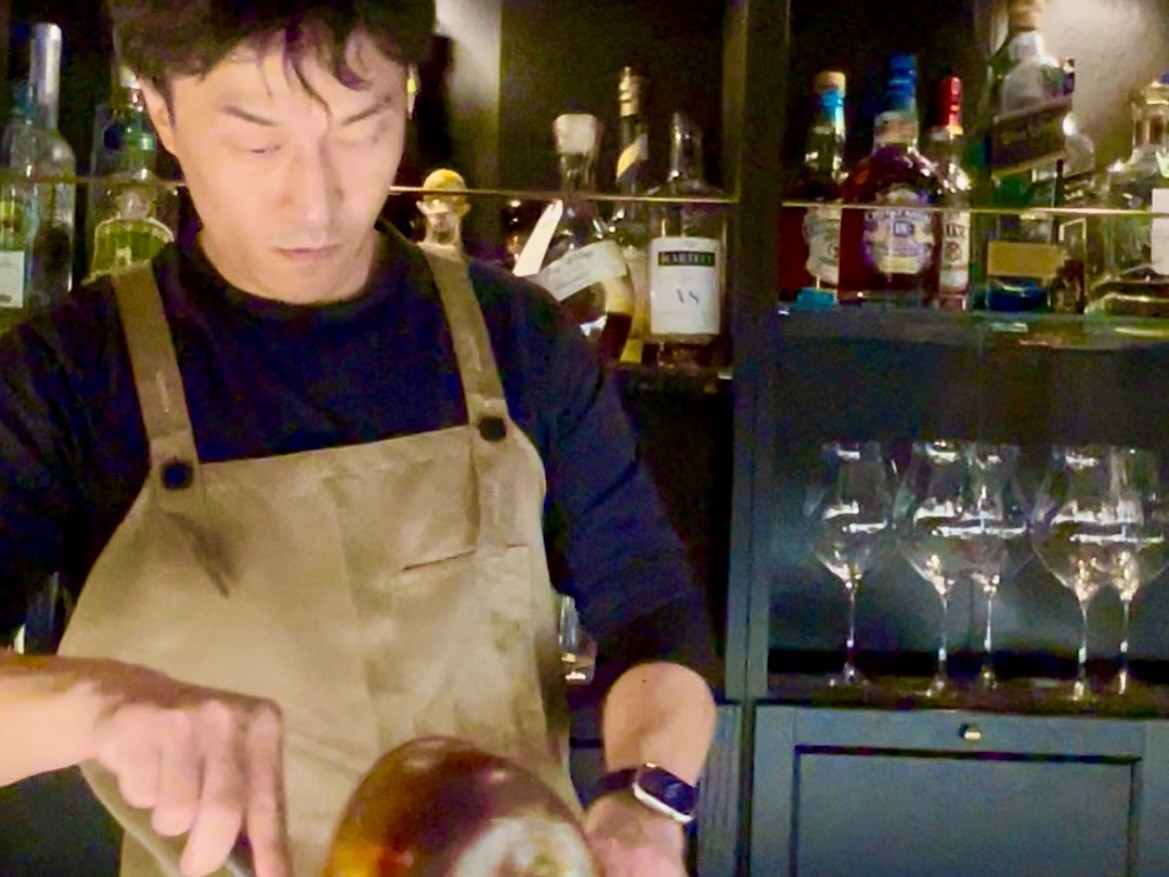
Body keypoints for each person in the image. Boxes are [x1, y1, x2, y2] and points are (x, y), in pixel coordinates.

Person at [0, 2, 718, 877]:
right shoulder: (71, 374)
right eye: (257, 142)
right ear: (160, 111)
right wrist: (97, 703)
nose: (315, 199)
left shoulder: (517, 340)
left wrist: (647, 802)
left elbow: (653, 614)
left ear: (406, 95)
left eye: (360, 127)